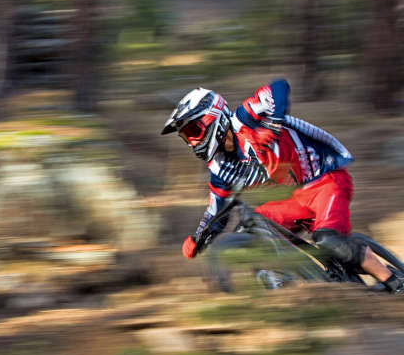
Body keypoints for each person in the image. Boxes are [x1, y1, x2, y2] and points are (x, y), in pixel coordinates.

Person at [161, 79, 404, 294]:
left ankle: (394, 281)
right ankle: (284, 286)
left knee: (328, 239)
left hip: (327, 182)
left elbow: (279, 87)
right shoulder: (220, 167)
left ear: (213, 116)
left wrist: (271, 126)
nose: (192, 142)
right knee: (255, 225)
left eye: (194, 131)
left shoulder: (244, 119)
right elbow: (216, 209)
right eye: (186, 137)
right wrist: (199, 238)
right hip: (293, 200)